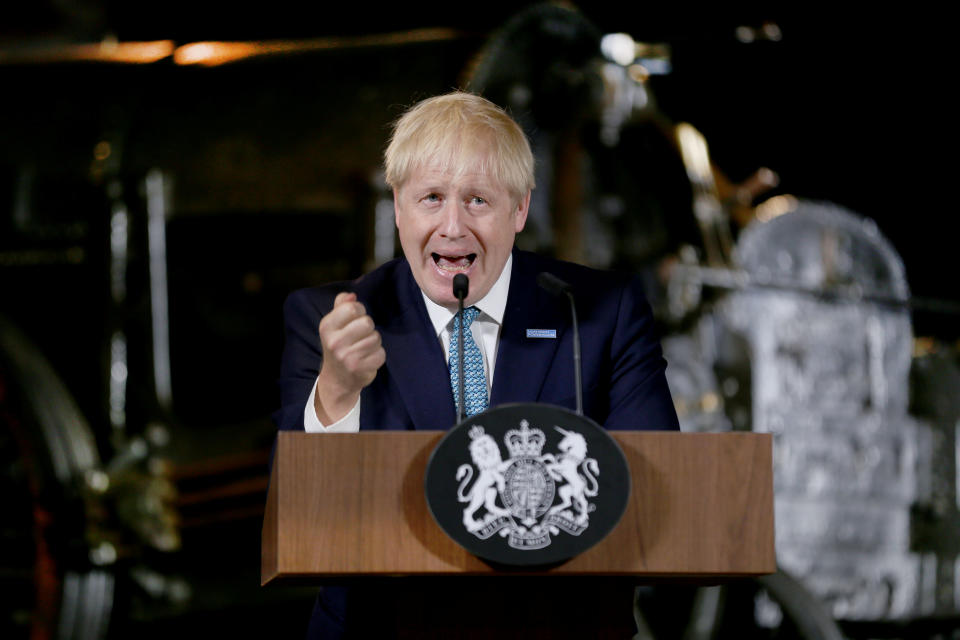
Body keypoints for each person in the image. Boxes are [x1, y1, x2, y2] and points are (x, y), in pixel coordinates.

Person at [274, 91, 679, 638]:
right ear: (398, 206)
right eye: (432, 198)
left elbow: (654, 491)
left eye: (479, 201)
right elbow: (304, 522)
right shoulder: (330, 319)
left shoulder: (600, 314)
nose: (452, 227)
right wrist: (339, 396)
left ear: (520, 209)